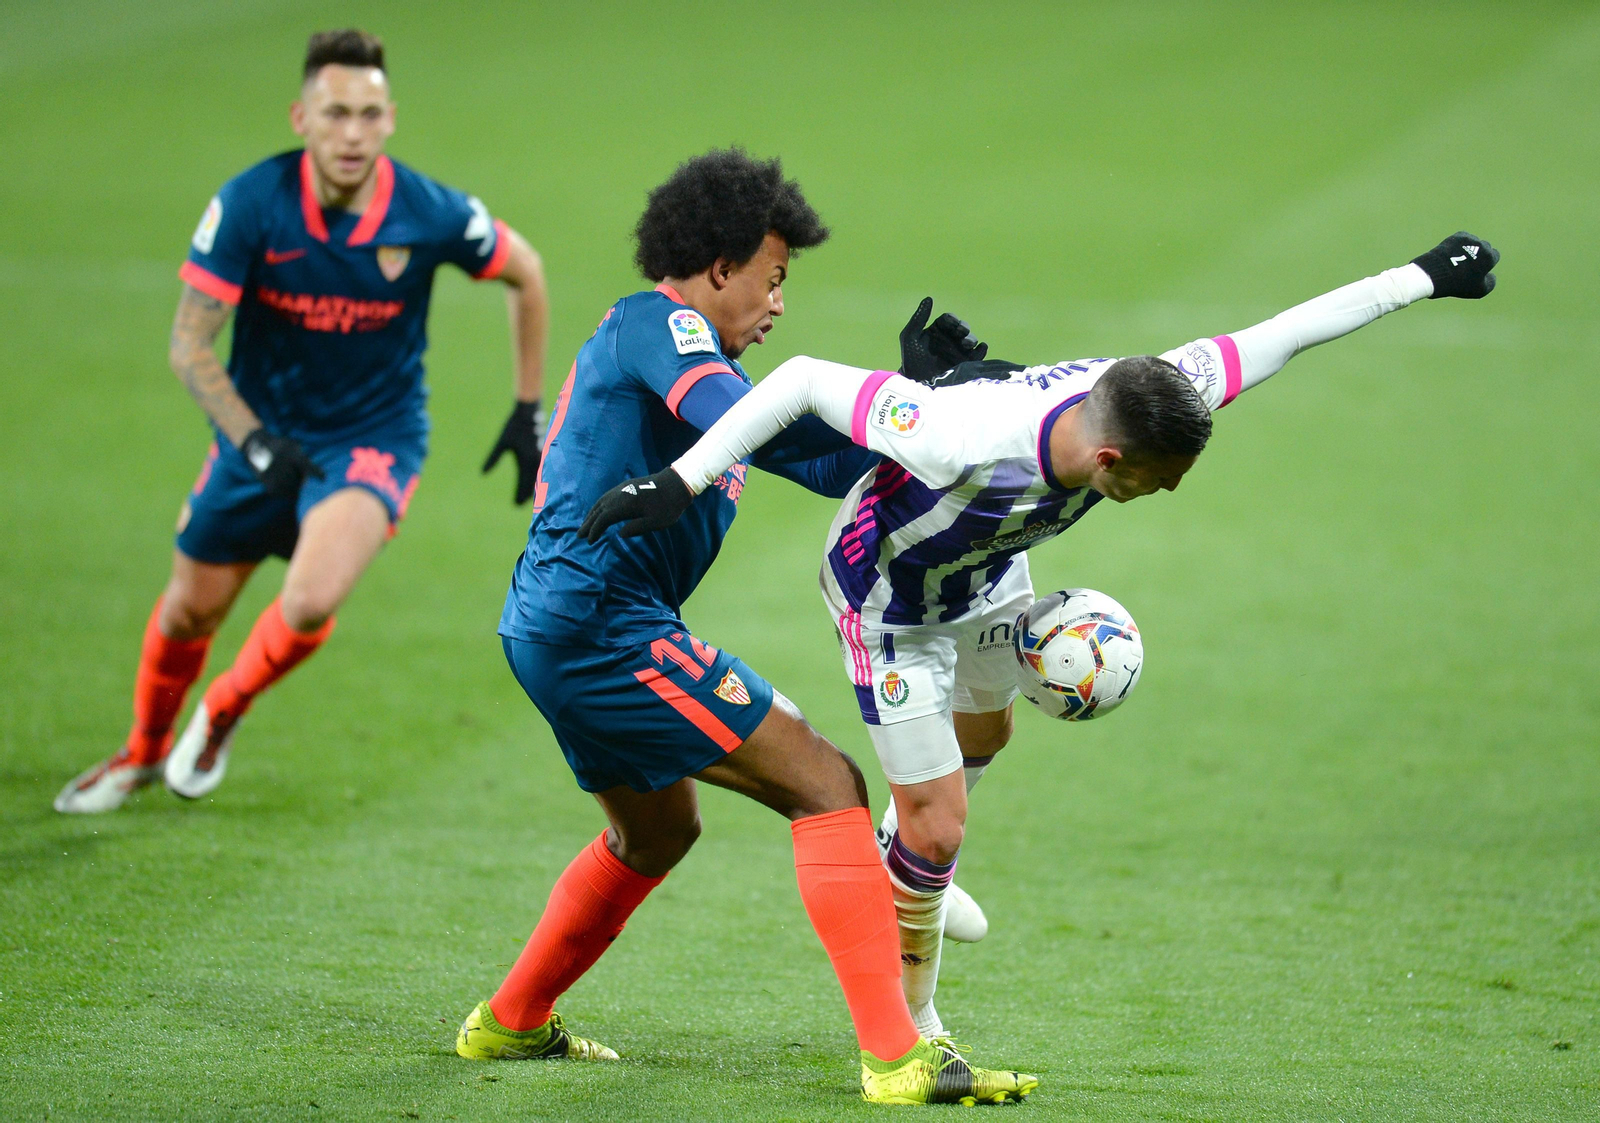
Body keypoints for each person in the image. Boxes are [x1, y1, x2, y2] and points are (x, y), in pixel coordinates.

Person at [579, 231, 1502, 1037]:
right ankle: (916, 1010)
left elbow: (1287, 333)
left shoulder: (1154, 393)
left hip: (986, 576)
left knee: (987, 733)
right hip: (888, 601)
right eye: (1156, 480)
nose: (1165, 493)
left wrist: (1424, 274)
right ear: (1108, 459)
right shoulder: (959, 436)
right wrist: (686, 480)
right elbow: (806, 382)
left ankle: (906, 849)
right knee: (943, 829)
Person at [455, 148, 1037, 1105]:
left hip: (560, 622)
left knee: (656, 835)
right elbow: (745, 417)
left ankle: (510, 1024)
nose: (777, 305)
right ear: (720, 268)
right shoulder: (662, 326)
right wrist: (895, 404)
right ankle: (899, 1057)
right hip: (603, 625)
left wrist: (926, 409)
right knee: (829, 786)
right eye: (772, 279)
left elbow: (816, 456)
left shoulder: (701, 361)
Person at [55, 29, 550, 813]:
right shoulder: (251, 204)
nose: (351, 133)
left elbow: (527, 272)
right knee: (190, 608)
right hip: (260, 434)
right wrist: (251, 441)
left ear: (389, 120)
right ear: (301, 117)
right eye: (334, 114)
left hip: (372, 441)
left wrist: (528, 410)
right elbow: (189, 344)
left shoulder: (428, 210)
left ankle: (222, 710)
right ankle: (141, 755)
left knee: (313, 598)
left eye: (367, 114)